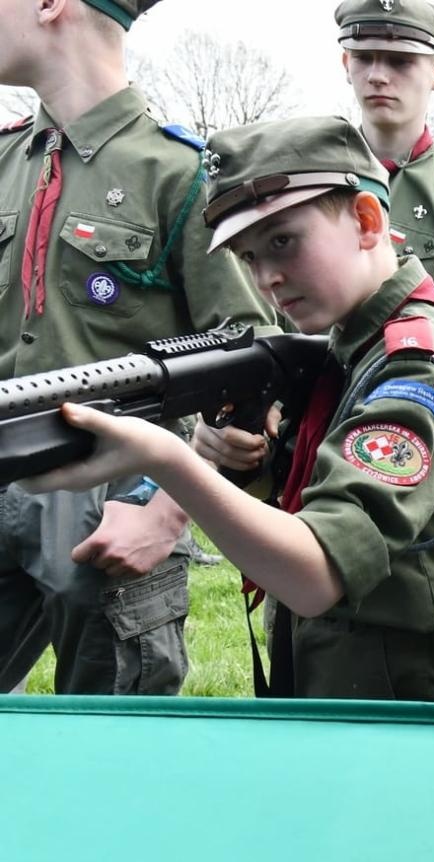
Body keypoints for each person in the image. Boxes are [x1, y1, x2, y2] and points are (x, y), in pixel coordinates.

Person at [22, 115, 434, 702]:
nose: (269, 278)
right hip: (332, 659)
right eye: (249, 257)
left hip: (394, 687)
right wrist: (246, 460)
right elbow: (307, 498)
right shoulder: (350, 344)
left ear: (367, 220)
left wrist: (170, 460)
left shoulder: (415, 362)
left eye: (283, 241)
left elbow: (317, 572)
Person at [0, 0, 276, 695]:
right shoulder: (5, 161)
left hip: (115, 495)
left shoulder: (178, 174)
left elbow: (253, 367)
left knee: (110, 752)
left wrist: (164, 505)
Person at [336, 0, 434, 342]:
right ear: (347, 63)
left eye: (401, 61)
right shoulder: (311, 178)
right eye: (364, 58)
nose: (378, 75)